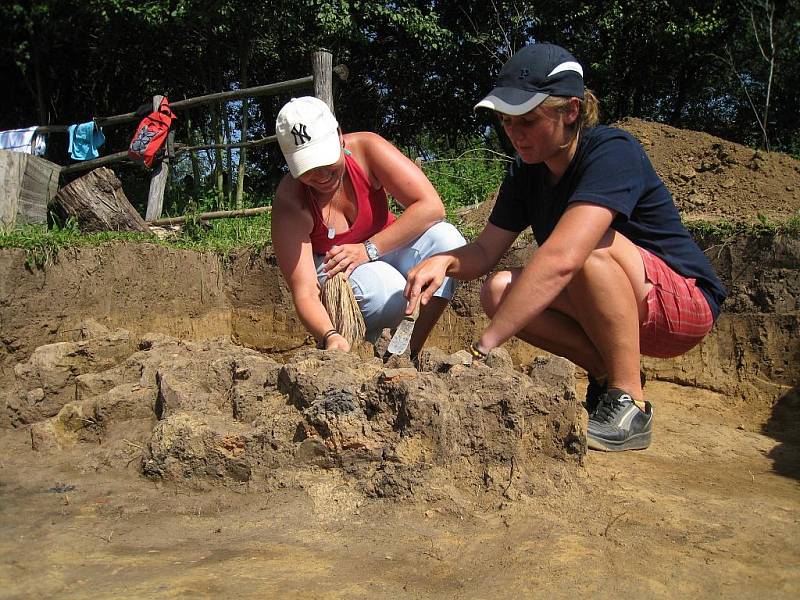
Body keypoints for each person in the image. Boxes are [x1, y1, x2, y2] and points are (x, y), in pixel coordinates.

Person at [405, 44, 727, 452]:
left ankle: (631, 404)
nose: (514, 133)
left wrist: (483, 347)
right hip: (616, 303)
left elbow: (561, 260)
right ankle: (605, 377)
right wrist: (445, 261)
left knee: (589, 249)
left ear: (571, 111)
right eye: (506, 121)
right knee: (498, 290)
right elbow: (486, 251)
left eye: (527, 120)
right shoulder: (526, 173)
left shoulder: (612, 151)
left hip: (681, 305)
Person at [272, 96, 466, 355]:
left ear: (339, 136)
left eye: (324, 160)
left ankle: (407, 352)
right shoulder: (291, 202)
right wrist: (329, 336)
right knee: (385, 291)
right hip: (337, 269)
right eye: (308, 167)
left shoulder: (367, 149)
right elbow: (305, 290)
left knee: (448, 243)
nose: (320, 175)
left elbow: (431, 206)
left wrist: (368, 250)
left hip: (382, 247)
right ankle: (360, 347)